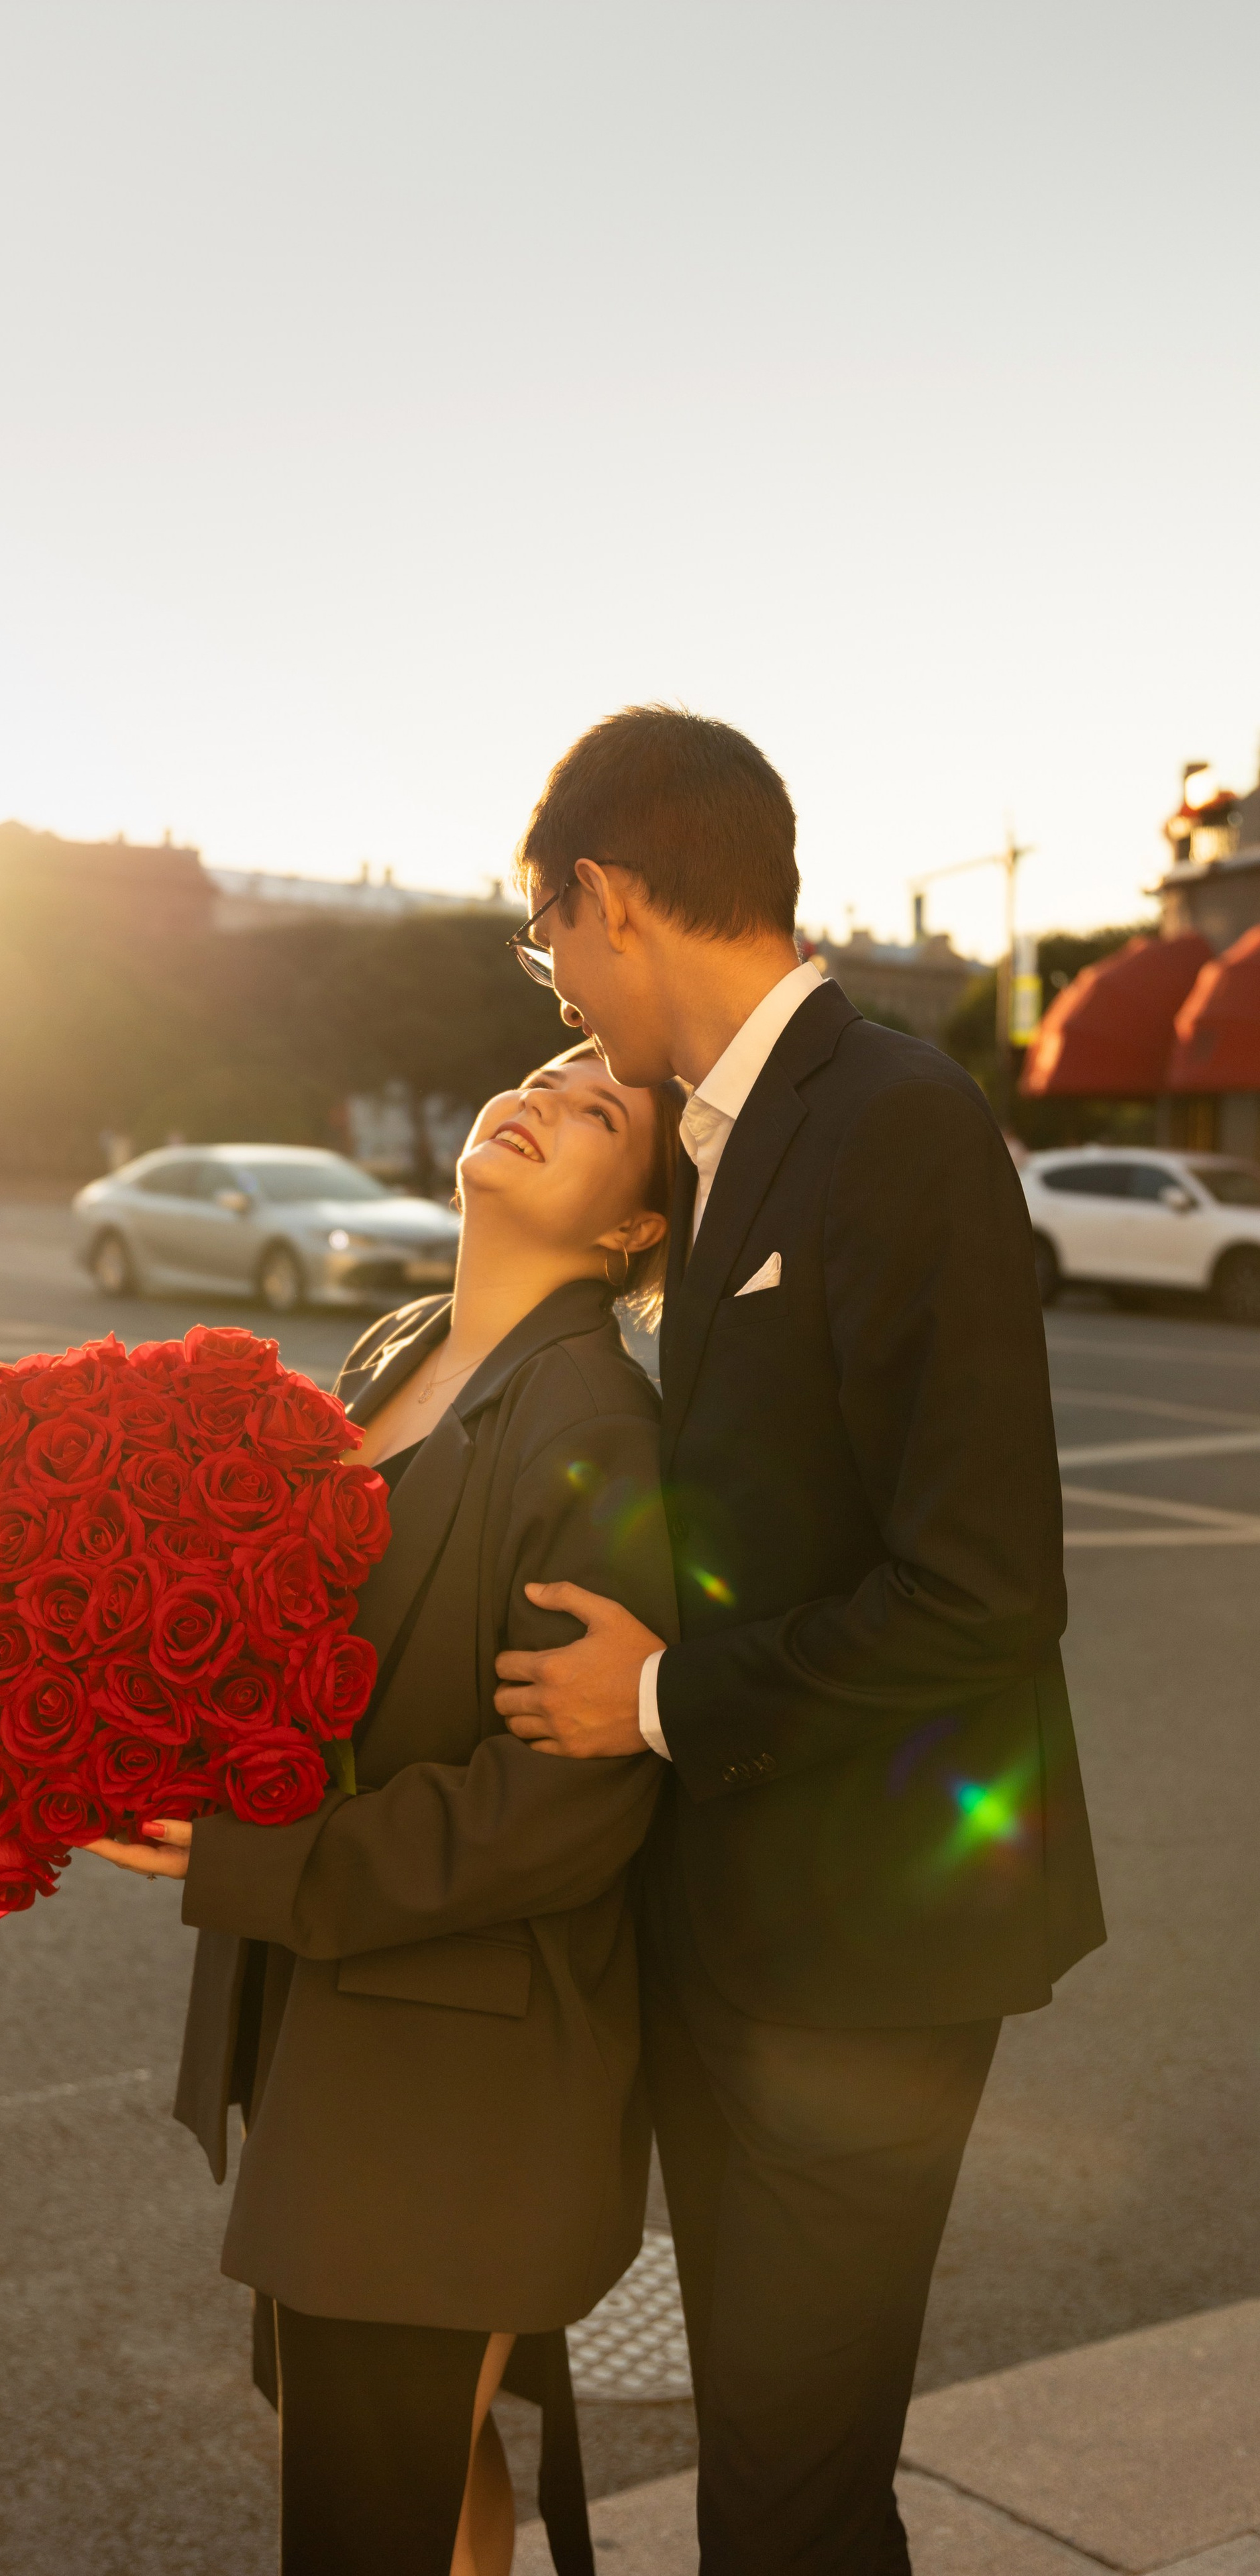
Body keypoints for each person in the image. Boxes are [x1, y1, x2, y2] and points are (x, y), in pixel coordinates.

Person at [493, 706, 1105, 2575]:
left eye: (549, 947)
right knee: (791, 2472)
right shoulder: (709, 1146)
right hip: (737, 1936)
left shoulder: (896, 1121)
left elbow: (986, 1589)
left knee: (790, 2490)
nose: (559, 992)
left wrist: (663, 1698)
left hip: (870, 1947)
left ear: (607, 896)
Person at [93, 1049, 682, 2576]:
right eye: (543, 1074)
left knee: (366, 2509)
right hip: (342, 2016)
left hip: (459, 2065)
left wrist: (258, 1859)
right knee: (412, 2465)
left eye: (599, 1112)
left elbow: (562, 1809)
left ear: (632, 1234)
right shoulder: (398, 1346)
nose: (540, 1098)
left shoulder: (593, 1419)